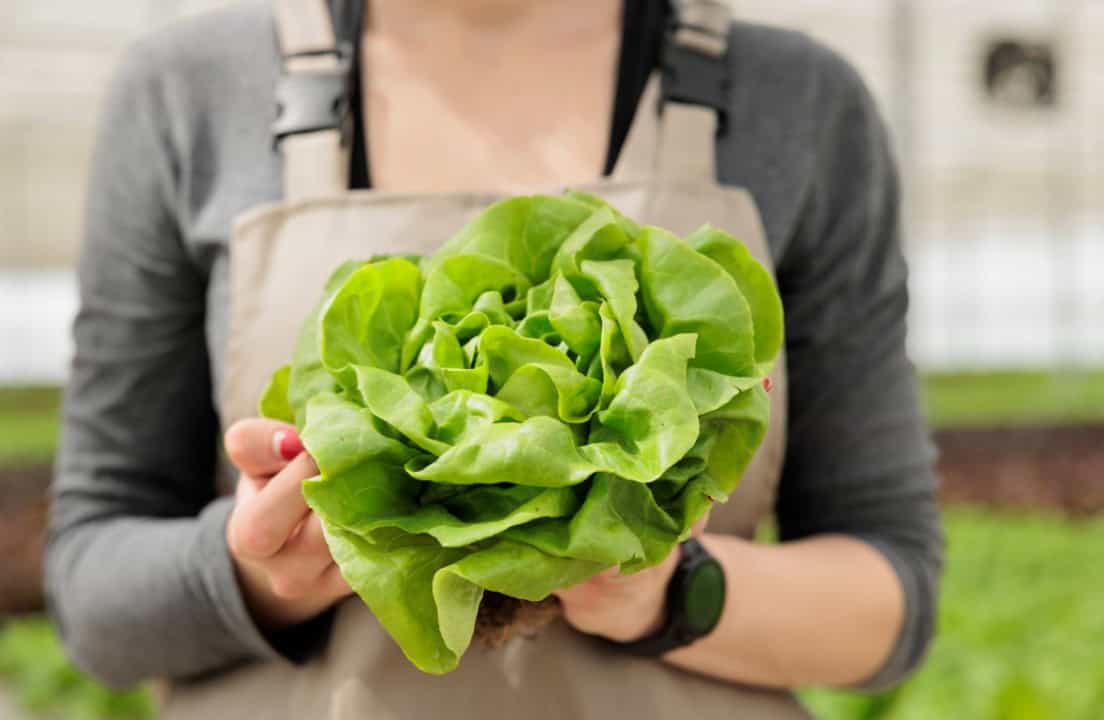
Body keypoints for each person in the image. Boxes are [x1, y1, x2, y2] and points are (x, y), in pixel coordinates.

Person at [46, 0, 942, 716]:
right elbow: (93, 593)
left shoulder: (797, 102)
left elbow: (891, 598)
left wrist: (668, 591)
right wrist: (261, 571)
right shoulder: (191, 91)